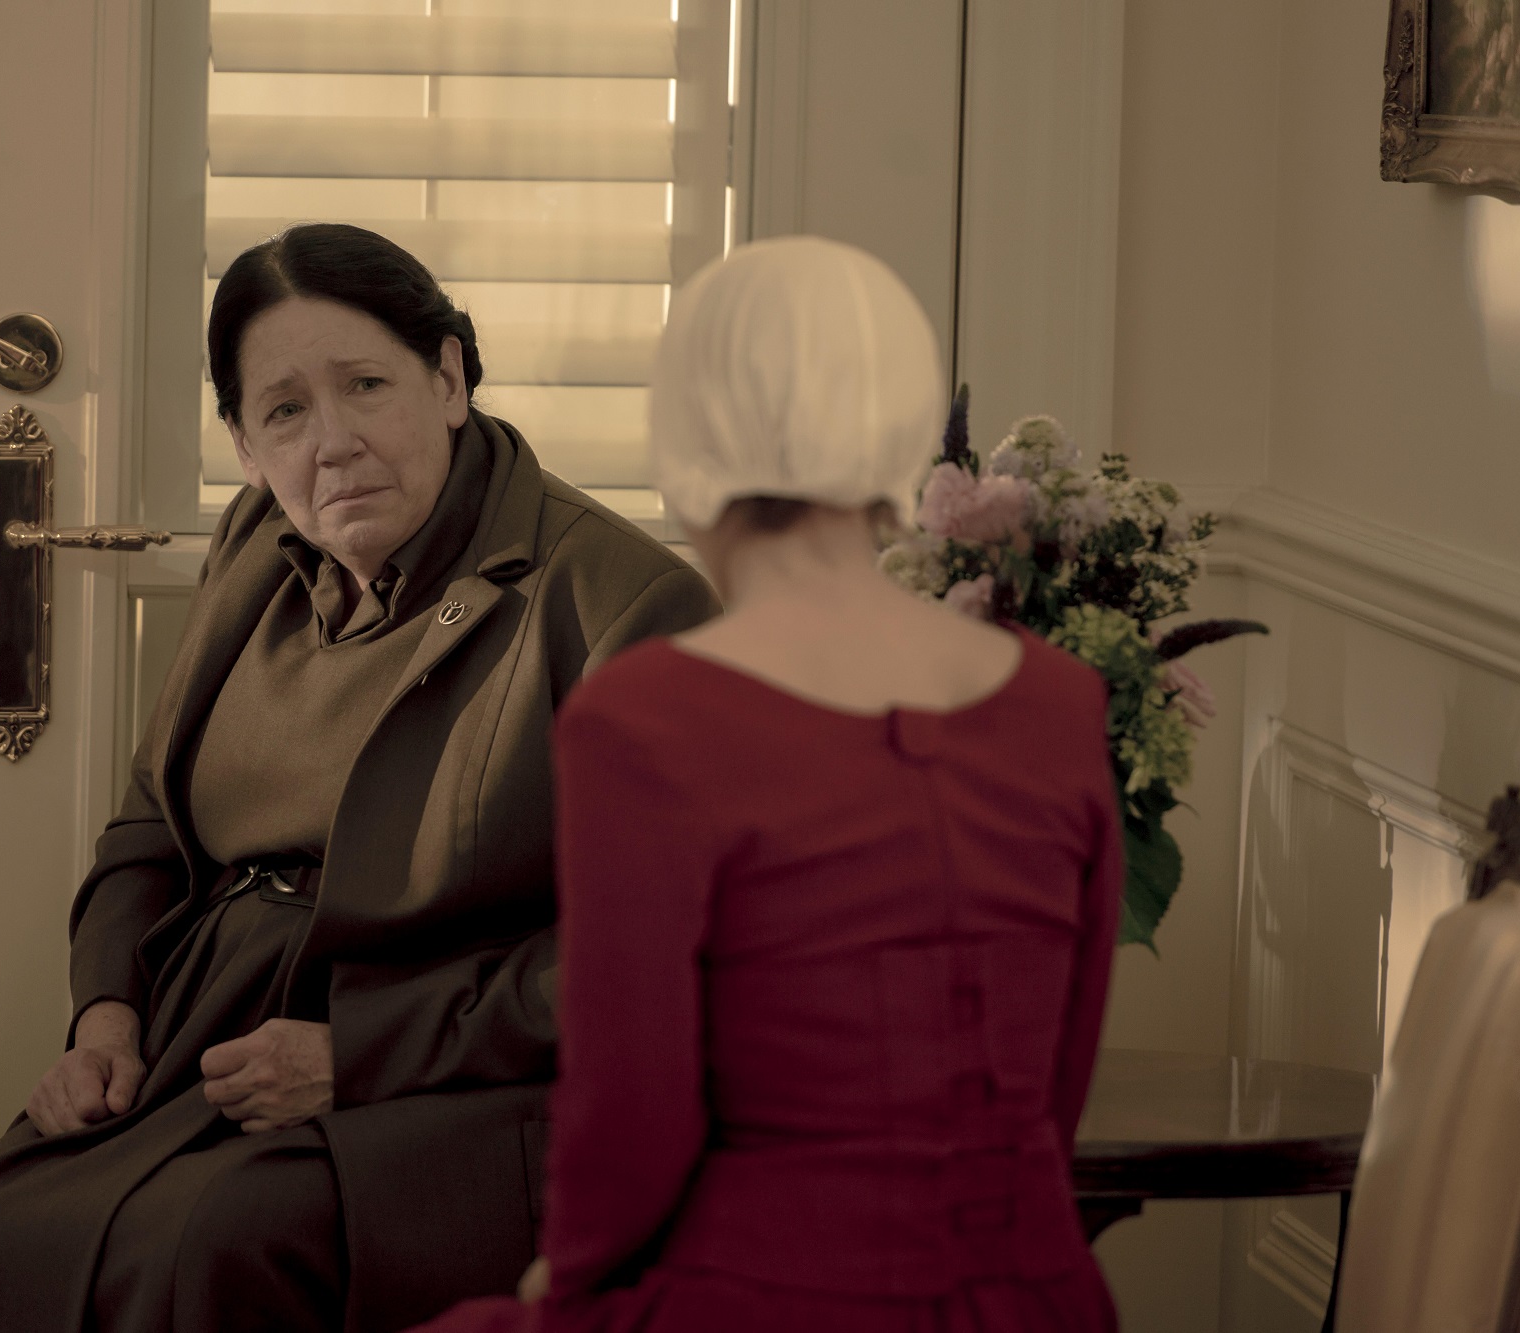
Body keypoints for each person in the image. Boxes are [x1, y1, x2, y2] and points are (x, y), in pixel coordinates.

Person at [0, 223, 718, 1333]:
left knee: (215, 1245)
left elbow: (655, 958)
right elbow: (150, 820)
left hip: (463, 1082)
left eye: (366, 385)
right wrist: (105, 1020)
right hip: (202, 1036)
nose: (333, 443)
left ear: (448, 378)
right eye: (283, 411)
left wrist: (356, 1056)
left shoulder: (626, 604)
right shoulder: (255, 545)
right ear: (243, 445)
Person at [416, 237, 1123, 1333]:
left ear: (687, 444)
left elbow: (634, 1111)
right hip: (1037, 1296)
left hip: (765, 1294)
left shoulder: (647, 720)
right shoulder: (1060, 700)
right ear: (900, 441)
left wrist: (568, 1274)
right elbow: (1056, 1087)